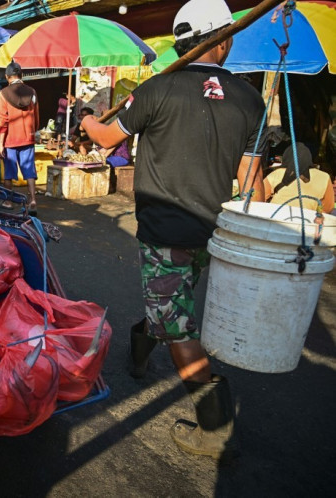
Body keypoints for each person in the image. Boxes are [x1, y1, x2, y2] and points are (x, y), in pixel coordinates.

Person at [80, 0, 265, 460]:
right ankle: (142, 349)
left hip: (165, 231)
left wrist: (86, 117)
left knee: (176, 322)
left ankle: (214, 427)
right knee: (170, 301)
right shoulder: (250, 98)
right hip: (216, 232)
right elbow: (254, 189)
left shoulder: (155, 90)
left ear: (183, 43)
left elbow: (105, 139)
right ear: (221, 40)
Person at [0, 61, 39, 215]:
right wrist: (33, 132)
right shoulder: (32, 92)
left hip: (10, 139)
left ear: (7, 77)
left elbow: (3, 120)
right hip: (28, 137)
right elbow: (36, 114)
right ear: (21, 75)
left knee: (9, 171)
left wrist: (1, 143)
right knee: (29, 169)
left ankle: (8, 201)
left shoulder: (3, 94)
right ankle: (32, 200)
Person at [264, 142, 335, 213]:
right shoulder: (324, 177)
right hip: (308, 220)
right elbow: (328, 208)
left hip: (277, 218)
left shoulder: (276, 173)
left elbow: (259, 197)